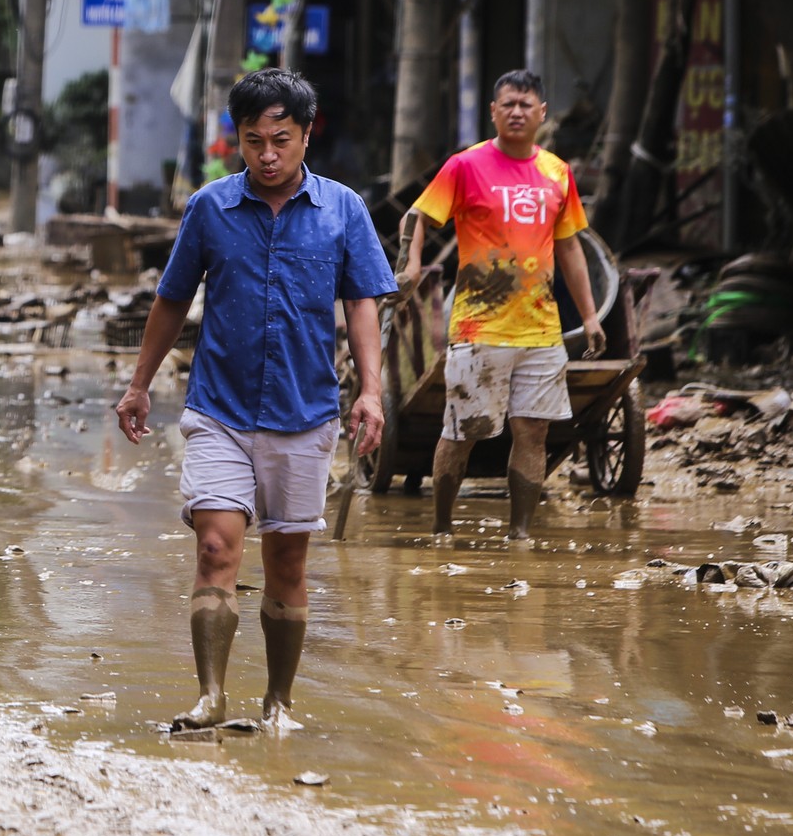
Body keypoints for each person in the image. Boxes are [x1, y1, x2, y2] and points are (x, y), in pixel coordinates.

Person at [113, 69, 395, 732]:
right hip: (220, 409)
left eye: (281, 139)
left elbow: (361, 302)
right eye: (252, 141)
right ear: (235, 140)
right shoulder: (211, 208)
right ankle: (211, 696)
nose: (267, 154)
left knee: (288, 563)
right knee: (216, 546)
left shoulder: (343, 210)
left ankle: (279, 703)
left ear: (305, 135)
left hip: (306, 412)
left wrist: (373, 391)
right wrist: (138, 382)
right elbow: (173, 297)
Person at [399, 68, 605, 541]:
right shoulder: (465, 166)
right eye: (508, 104)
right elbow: (419, 215)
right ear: (493, 112)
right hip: (478, 329)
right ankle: (442, 529)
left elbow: (571, 246)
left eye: (525, 104)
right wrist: (410, 266)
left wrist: (590, 315)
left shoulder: (558, 172)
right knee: (463, 431)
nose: (516, 112)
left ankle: (521, 535)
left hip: (541, 330)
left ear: (542, 113)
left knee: (532, 434)